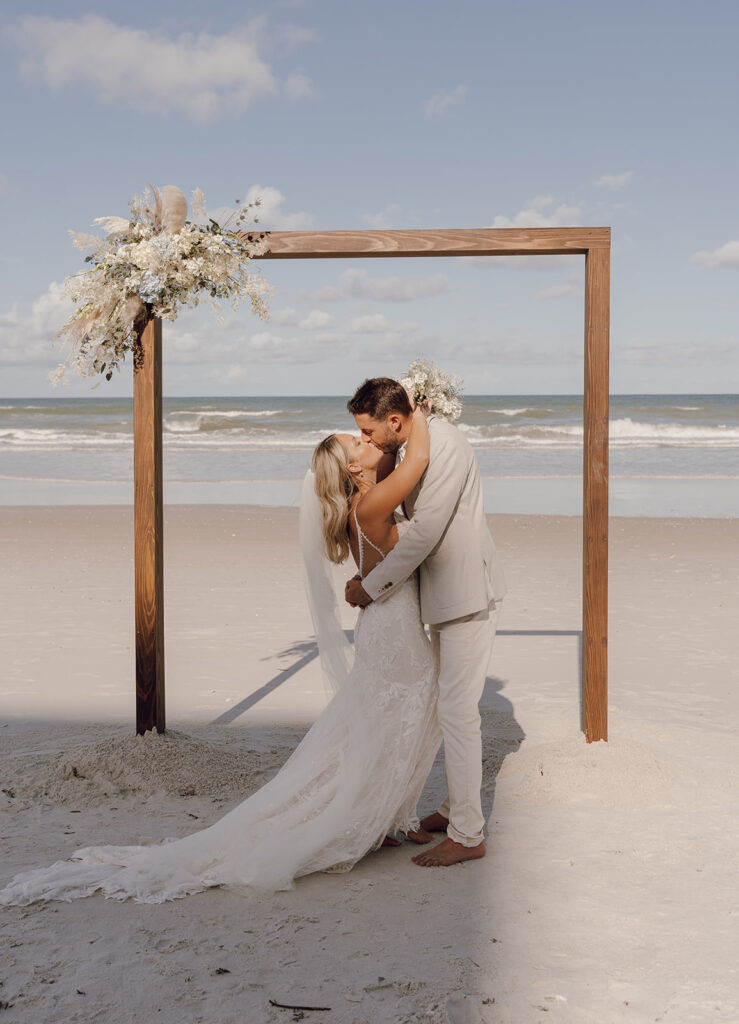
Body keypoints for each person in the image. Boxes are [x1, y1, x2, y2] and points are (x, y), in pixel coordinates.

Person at [0, 406, 442, 905]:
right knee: (397, 724)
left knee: (385, 727)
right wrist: (422, 408)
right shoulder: (372, 504)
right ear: (351, 471)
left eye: (365, 438)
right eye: (357, 444)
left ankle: (384, 817)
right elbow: (419, 454)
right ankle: (374, 818)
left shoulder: (364, 507)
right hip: (393, 635)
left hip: (385, 630)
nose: (368, 444)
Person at [345, 378, 506, 868]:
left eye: (370, 432)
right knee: (443, 709)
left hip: (465, 594)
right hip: (441, 596)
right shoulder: (414, 441)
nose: (368, 442)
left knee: (457, 713)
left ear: (395, 420)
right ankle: (452, 808)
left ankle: (468, 833)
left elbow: (423, 534)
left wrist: (370, 587)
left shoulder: (446, 445)